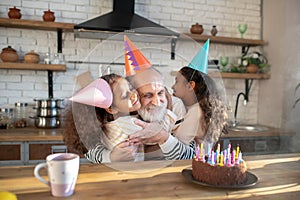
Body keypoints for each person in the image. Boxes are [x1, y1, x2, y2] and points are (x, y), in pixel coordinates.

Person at [129, 39, 229, 159]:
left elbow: (177, 147)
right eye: (148, 95)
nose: (172, 86)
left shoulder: (195, 113)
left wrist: (168, 111)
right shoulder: (199, 108)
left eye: (177, 81)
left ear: (190, 85)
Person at [64, 73, 144, 161]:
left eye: (131, 88)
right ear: (111, 109)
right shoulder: (128, 124)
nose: (133, 94)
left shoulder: (106, 125)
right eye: (125, 96)